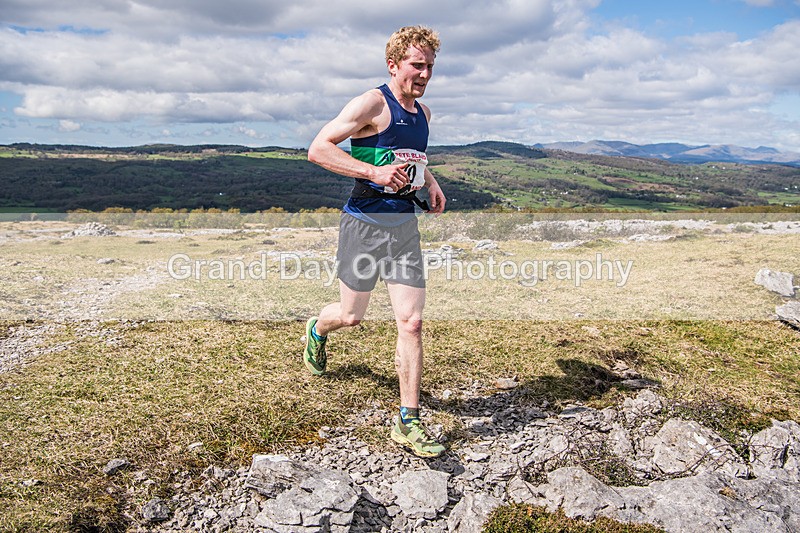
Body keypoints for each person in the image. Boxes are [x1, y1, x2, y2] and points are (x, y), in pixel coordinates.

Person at [304, 25, 447, 458]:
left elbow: (413, 158)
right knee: (351, 316)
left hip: (403, 228)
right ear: (393, 65)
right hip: (363, 225)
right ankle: (317, 329)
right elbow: (318, 148)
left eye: (430, 66)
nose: (424, 74)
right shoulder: (372, 103)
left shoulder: (423, 114)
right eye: (417, 65)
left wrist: (431, 184)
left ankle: (408, 420)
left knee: (412, 322)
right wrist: (372, 172)